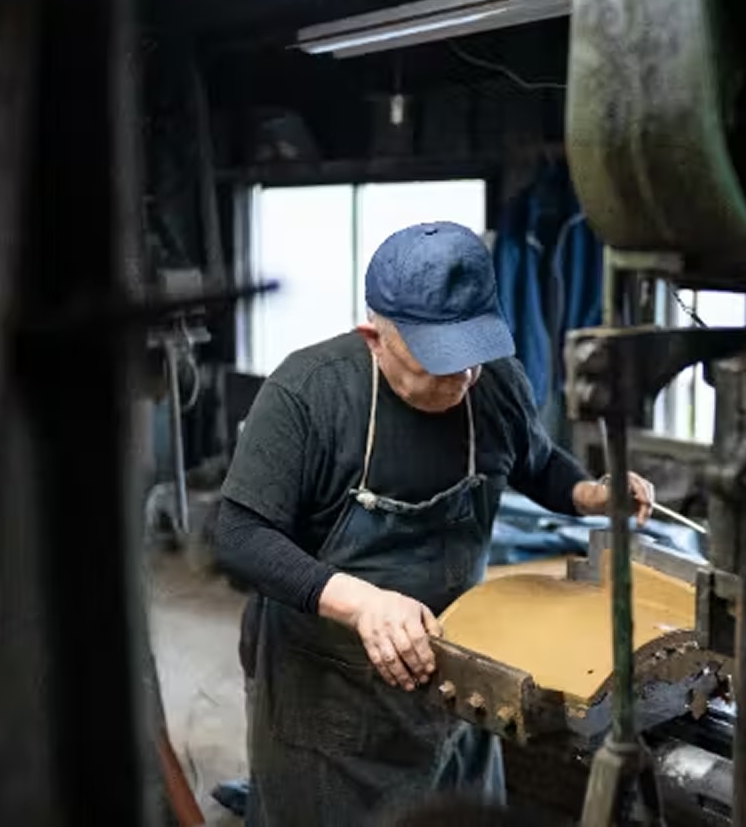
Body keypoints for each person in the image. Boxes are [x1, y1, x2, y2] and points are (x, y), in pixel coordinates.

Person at [215, 221, 654, 827]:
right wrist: (363, 603)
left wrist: (590, 494)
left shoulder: (494, 381)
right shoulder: (310, 392)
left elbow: (535, 461)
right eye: (439, 364)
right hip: (332, 700)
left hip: (455, 685)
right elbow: (238, 535)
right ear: (374, 338)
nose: (463, 379)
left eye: (472, 358)